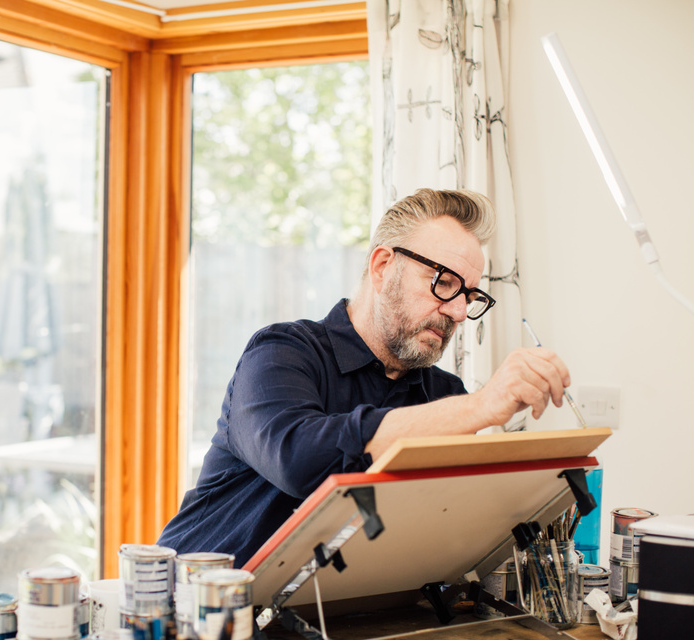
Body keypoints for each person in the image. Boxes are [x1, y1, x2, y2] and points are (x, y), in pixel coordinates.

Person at [157, 188, 573, 567]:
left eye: (469, 294)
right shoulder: (280, 353)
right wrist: (480, 408)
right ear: (382, 266)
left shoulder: (444, 395)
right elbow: (298, 460)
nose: (459, 312)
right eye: (443, 283)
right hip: (188, 606)